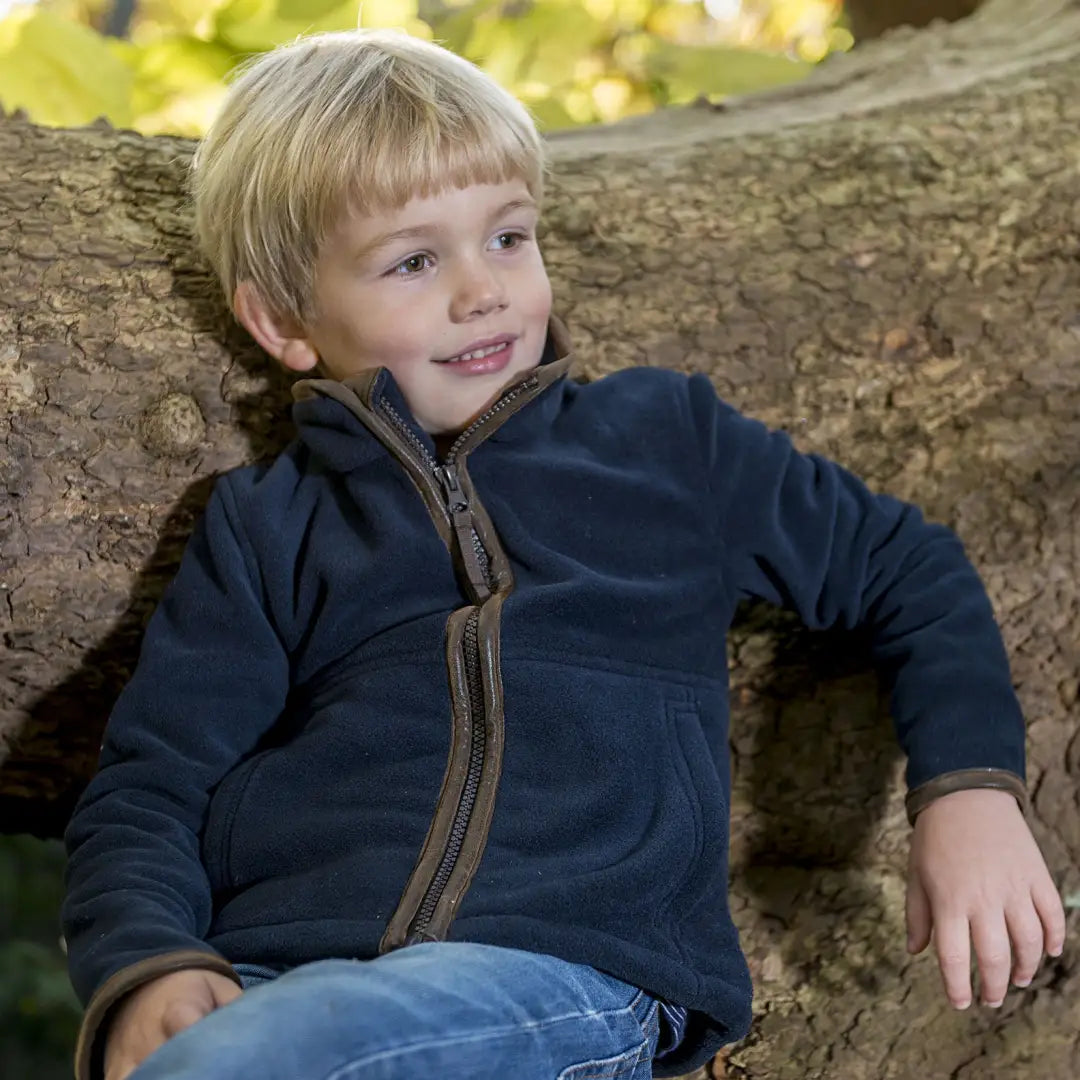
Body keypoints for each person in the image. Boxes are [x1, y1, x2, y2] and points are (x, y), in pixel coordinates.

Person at [62, 28, 1066, 1080]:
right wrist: (147, 963)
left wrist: (969, 790)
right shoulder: (267, 522)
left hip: (562, 978)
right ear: (283, 321)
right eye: (413, 260)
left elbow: (908, 566)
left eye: (508, 237)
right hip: (281, 980)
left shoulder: (663, 443)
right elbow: (150, 785)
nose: (481, 291)